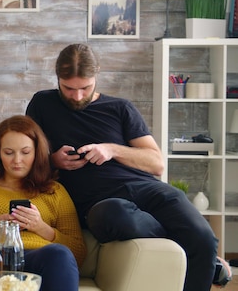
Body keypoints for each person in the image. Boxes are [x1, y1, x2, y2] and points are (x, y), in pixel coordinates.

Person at [25, 43, 232, 291]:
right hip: (99, 204)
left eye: (85, 88)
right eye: (68, 88)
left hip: (147, 189)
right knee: (113, 215)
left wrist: (112, 149)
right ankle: (203, 259)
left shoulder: (120, 108)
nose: (77, 96)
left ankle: (204, 256)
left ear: (97, 75)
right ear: (57, 78)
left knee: (204, 238)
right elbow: (25, 155)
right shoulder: (42, 103)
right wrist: (53, 161)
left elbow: (156, 164)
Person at [0, 115, 85, 289]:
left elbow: (78, 253)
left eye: (25, 152)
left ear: (37, 152)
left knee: (59, 253)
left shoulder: (55, 191)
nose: (17, 160)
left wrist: (41, 227)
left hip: (41, 259)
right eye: (8, 153)